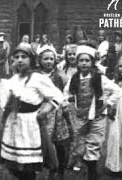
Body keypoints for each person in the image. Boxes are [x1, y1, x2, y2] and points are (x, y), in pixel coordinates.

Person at [0, 45, 64, 180]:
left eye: (24, 57)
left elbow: (57, 95)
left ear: (32, 59)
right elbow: (4, 102)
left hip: (29, 124)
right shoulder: (14, 79)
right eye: (16, 57)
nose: (20, 60)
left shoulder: (37, 78)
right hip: (14, 123)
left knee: (28, 165)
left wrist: (46, 109)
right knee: (15, 164)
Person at [63, 45, 121, 180]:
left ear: (92, 62)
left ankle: (92, 172)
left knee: (94, 142)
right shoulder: (75, 78)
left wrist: (108, 102)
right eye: (81, 60)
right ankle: (83, 162)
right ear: (77, 63)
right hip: (81, 115)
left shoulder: (99, 78)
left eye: (87, 60)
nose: (84, 63)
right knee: (80, 142)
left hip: (97, 115)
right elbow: (66, 93)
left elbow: (117, 90)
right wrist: (69, 101)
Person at [37, 45, 73, 180]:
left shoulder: (59, 77)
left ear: (55, 60)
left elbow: (64, 93)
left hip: (55, 111)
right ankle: (44, 164)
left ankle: (59, 169)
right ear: (40, 60)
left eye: (51, 59)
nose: (48, 61)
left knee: (58, 141)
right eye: (45, 59)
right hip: (41, 109)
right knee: (42, 140)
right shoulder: (36, 75)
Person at [105, 53, 122, 174]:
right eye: (120, 66)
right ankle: (115, 166)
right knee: (116, 138)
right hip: (117, 115)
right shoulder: (115, 82)